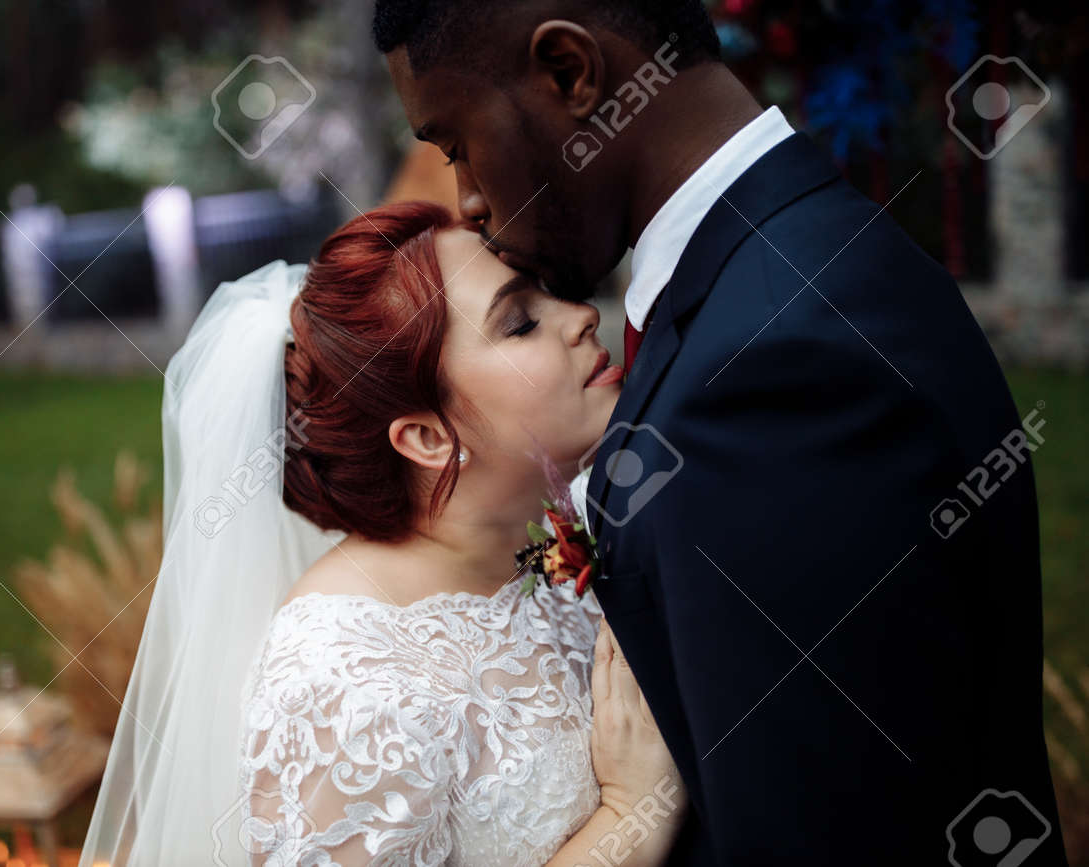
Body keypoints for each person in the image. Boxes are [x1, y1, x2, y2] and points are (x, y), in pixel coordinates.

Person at [374, 1, 1067, 864]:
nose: (468, 199)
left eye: (456, 143)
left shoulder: (771, 370)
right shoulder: (790, 262)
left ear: (568, 74)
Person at [79, 202, 688, 865]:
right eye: (519, 323)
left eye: (548, 294)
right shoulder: (341, 686)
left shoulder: (550, 543)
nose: (581, 316)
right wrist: (632, 811)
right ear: (428, 438)